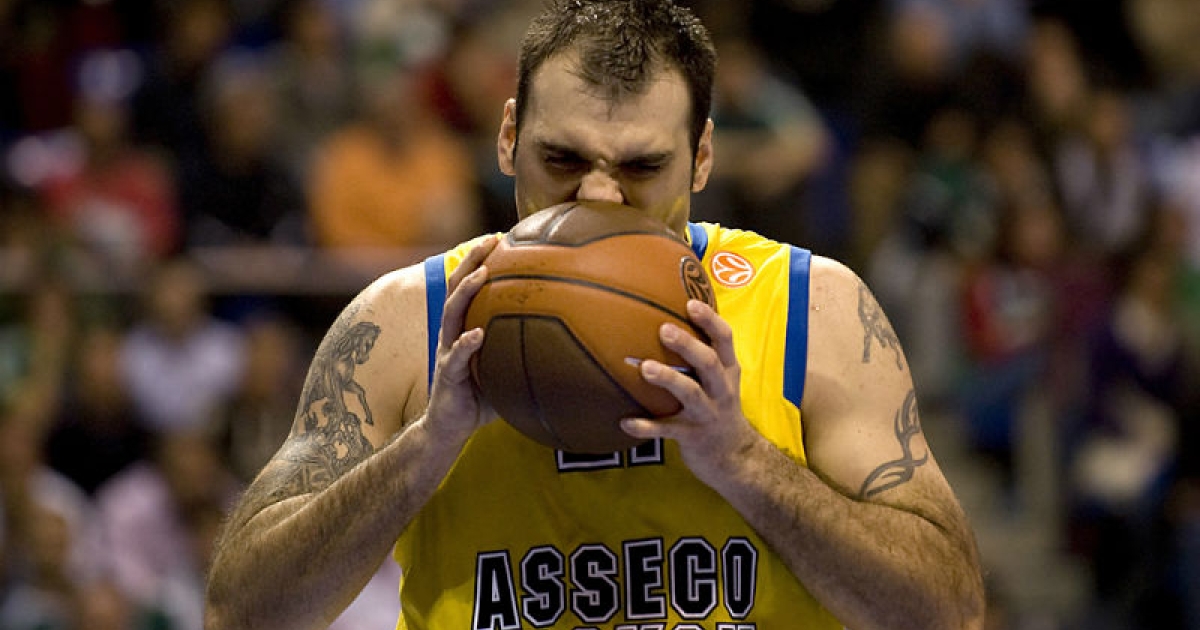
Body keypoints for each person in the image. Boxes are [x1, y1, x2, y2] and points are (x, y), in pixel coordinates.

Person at [204, 2, 985, 629]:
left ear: (701, 158)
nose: (600, 194)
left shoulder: (810, 307)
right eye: (563, 160)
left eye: (642, 166)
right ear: (508, 138)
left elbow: (948, 612)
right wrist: (426, 448)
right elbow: (241, 613)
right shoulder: (409, 321)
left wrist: (744, 461)